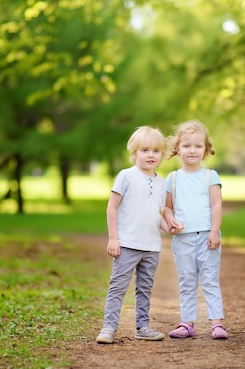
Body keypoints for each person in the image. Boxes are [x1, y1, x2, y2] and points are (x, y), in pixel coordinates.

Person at [96, 126, 171, 344]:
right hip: (127, 244)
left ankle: (142, 326)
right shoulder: (126, 176)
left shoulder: (161, 183)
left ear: (162, 155)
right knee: (118, 287)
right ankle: (109, 328)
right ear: (134, 153)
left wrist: (170, 227)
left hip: (151, 246)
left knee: (145, 288)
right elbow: (112, 208)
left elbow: (155, 215)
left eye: (156, 151)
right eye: (145, 150)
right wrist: (113, 238)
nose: (150, 155)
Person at [162, 120, 228, 340]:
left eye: (198, 146)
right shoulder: (172, 178)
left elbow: (216, 205)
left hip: (207, 237)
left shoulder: (210, 176)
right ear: (177, 149)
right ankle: (187, 323)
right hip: (183, 239)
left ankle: (217, 323)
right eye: (187, 146)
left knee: (209, 279)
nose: (192, 150)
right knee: (187, 280)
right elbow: (167, 208)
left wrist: (214, 232)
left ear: (206, 149)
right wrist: (171, 220)